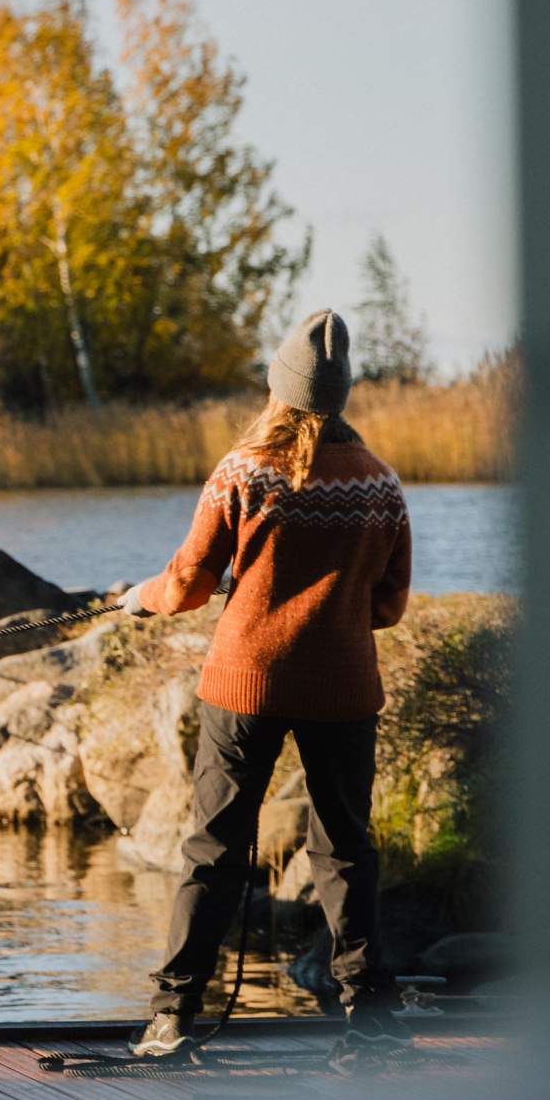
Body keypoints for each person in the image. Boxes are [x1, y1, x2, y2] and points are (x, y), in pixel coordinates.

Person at [121, 309, 413, 1056]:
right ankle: (371, 1015)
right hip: (344, 690)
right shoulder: (381, 484)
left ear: (280, 389)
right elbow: (389, 604)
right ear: (340, 394)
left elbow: (187, 582)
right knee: (346, 847)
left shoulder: (243, 471)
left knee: (213, 847)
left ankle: (172, 1017)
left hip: (245, 685)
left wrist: (139, 596)